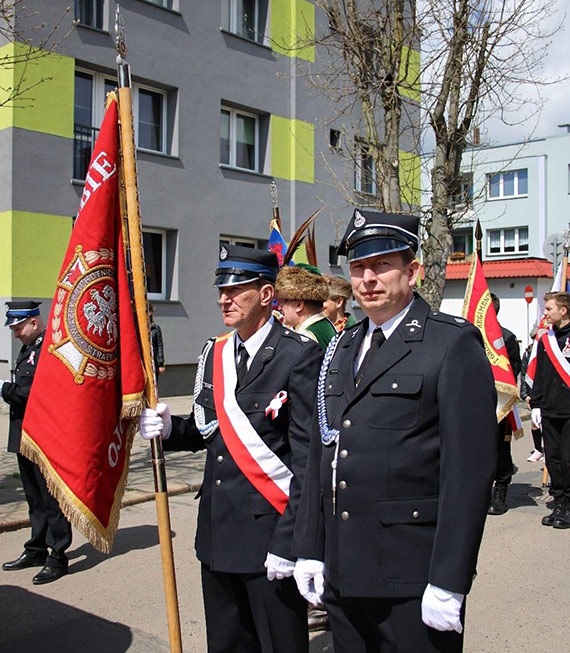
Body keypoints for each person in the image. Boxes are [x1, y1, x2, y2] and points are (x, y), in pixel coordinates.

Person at [292, 209, 497, 652]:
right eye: (359, 267)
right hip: (345, 573)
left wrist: (450, 578)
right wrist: (310, 545)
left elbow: (468, 475)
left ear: (413, 271)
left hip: (412, 575)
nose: (368, 278)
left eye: (382, 264)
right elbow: (320, 456)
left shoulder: (451, 344)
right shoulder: (344, 346)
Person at [139, 245, 323, 652]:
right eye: (222, 288)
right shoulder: (215, 352)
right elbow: (211, 432)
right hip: (218, 531)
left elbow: (310, 461)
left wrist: (293, 542)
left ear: (265, 295)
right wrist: (171, 429)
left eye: (237, 288)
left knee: (279, 644)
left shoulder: (299, 355)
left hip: (269, 535)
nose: (224, 297)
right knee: (226, 644)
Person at [1, 301, 72, 584]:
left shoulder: (48, 348)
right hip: (24, 433)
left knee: (50, 498)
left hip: (44, 435)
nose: (16, 334)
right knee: (33, 496)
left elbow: (36, 391)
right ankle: (37, 548)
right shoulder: (29, 347)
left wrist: (5, 390)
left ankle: (58, 556)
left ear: (33, 322)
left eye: (18, 328)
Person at [530, 291, 570, 528]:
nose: (545, 313)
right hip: (550, 409)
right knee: (553, 459)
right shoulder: (546, 338)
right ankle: (560, 502)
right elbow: (541, 373)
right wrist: (535, 403)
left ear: (563, 311)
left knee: (568, 461)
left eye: (549, 309)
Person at [486, 294, 522, 515]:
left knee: (500, 449)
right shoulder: (467, 336)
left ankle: (500, 490)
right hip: (471, 403)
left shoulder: (507, 337)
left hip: (498, 404)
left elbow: (514, 369)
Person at [275, 265, 336, 350]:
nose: (279, 308)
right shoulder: (327, 324)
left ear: (299, 305)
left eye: (284, 301)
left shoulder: (304, 336)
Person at [520, 328, 544, 462]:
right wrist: (525, 394)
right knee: (535, 423)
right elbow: (525, 375)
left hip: (547, 393)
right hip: (533, 392)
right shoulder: (530, 353)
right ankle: (538, 449)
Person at [148, 302, 165, 377]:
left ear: (151, 312)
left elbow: (159, 346)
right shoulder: (138, 328)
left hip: (153, 360)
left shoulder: (155, 328)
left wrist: (161, 363)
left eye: (147, 311)